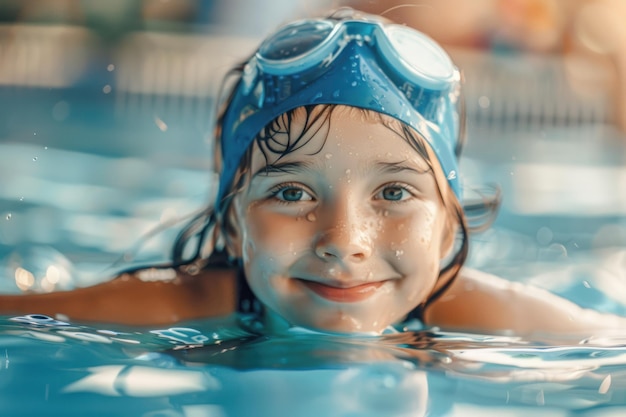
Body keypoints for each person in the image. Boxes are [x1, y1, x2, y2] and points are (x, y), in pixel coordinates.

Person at [1, 8, 625, 335]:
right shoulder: (200, 302)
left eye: (394, 192)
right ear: (237, 225)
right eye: (293, 191)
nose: (344, 243)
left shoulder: (471, 315)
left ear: (444, 229)